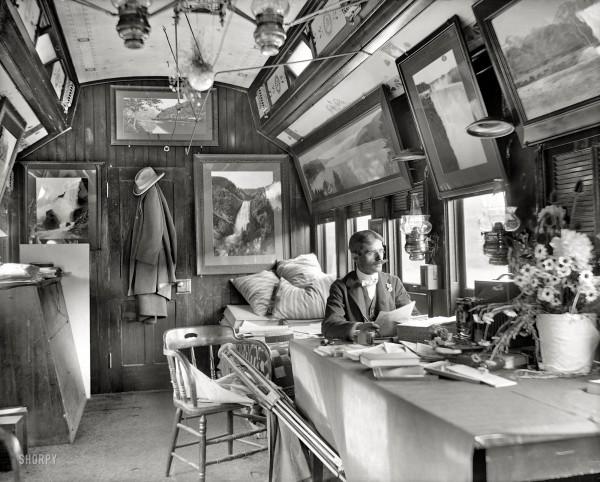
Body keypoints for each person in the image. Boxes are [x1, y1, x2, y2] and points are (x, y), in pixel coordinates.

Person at [322, 229, 416, 340]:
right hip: (357, 347)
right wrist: (358, 327)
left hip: (390, 346)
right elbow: (329, 326)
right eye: (371, 252)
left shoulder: (393, 282)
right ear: (355, 257)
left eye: (381, 251)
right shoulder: (340, 287)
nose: (379, 258)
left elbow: (412, 316)